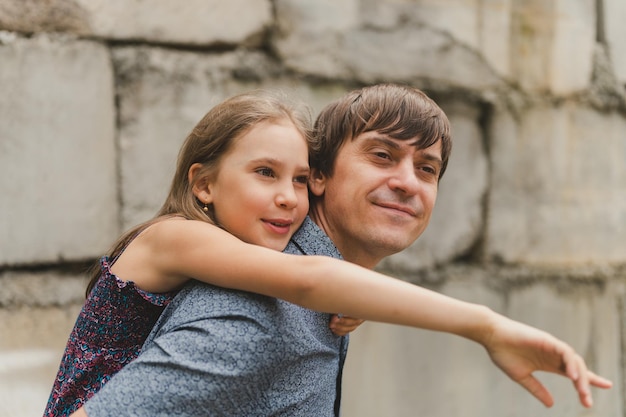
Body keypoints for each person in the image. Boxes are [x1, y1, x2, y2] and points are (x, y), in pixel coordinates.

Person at [71, 84, 612, 417]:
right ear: (324, 177)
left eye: (427, 168)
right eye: (382, 156)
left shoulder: (317, 301)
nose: (408, 182)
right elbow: (307, 283)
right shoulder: (257, 314)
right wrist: (486, 326)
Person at [44, 90, 365, 417]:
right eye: (266, 172)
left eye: (300, 179)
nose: (289, 197)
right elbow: (306, 280)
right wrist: (354, 293)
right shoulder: (177, 236)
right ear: (204, 184)